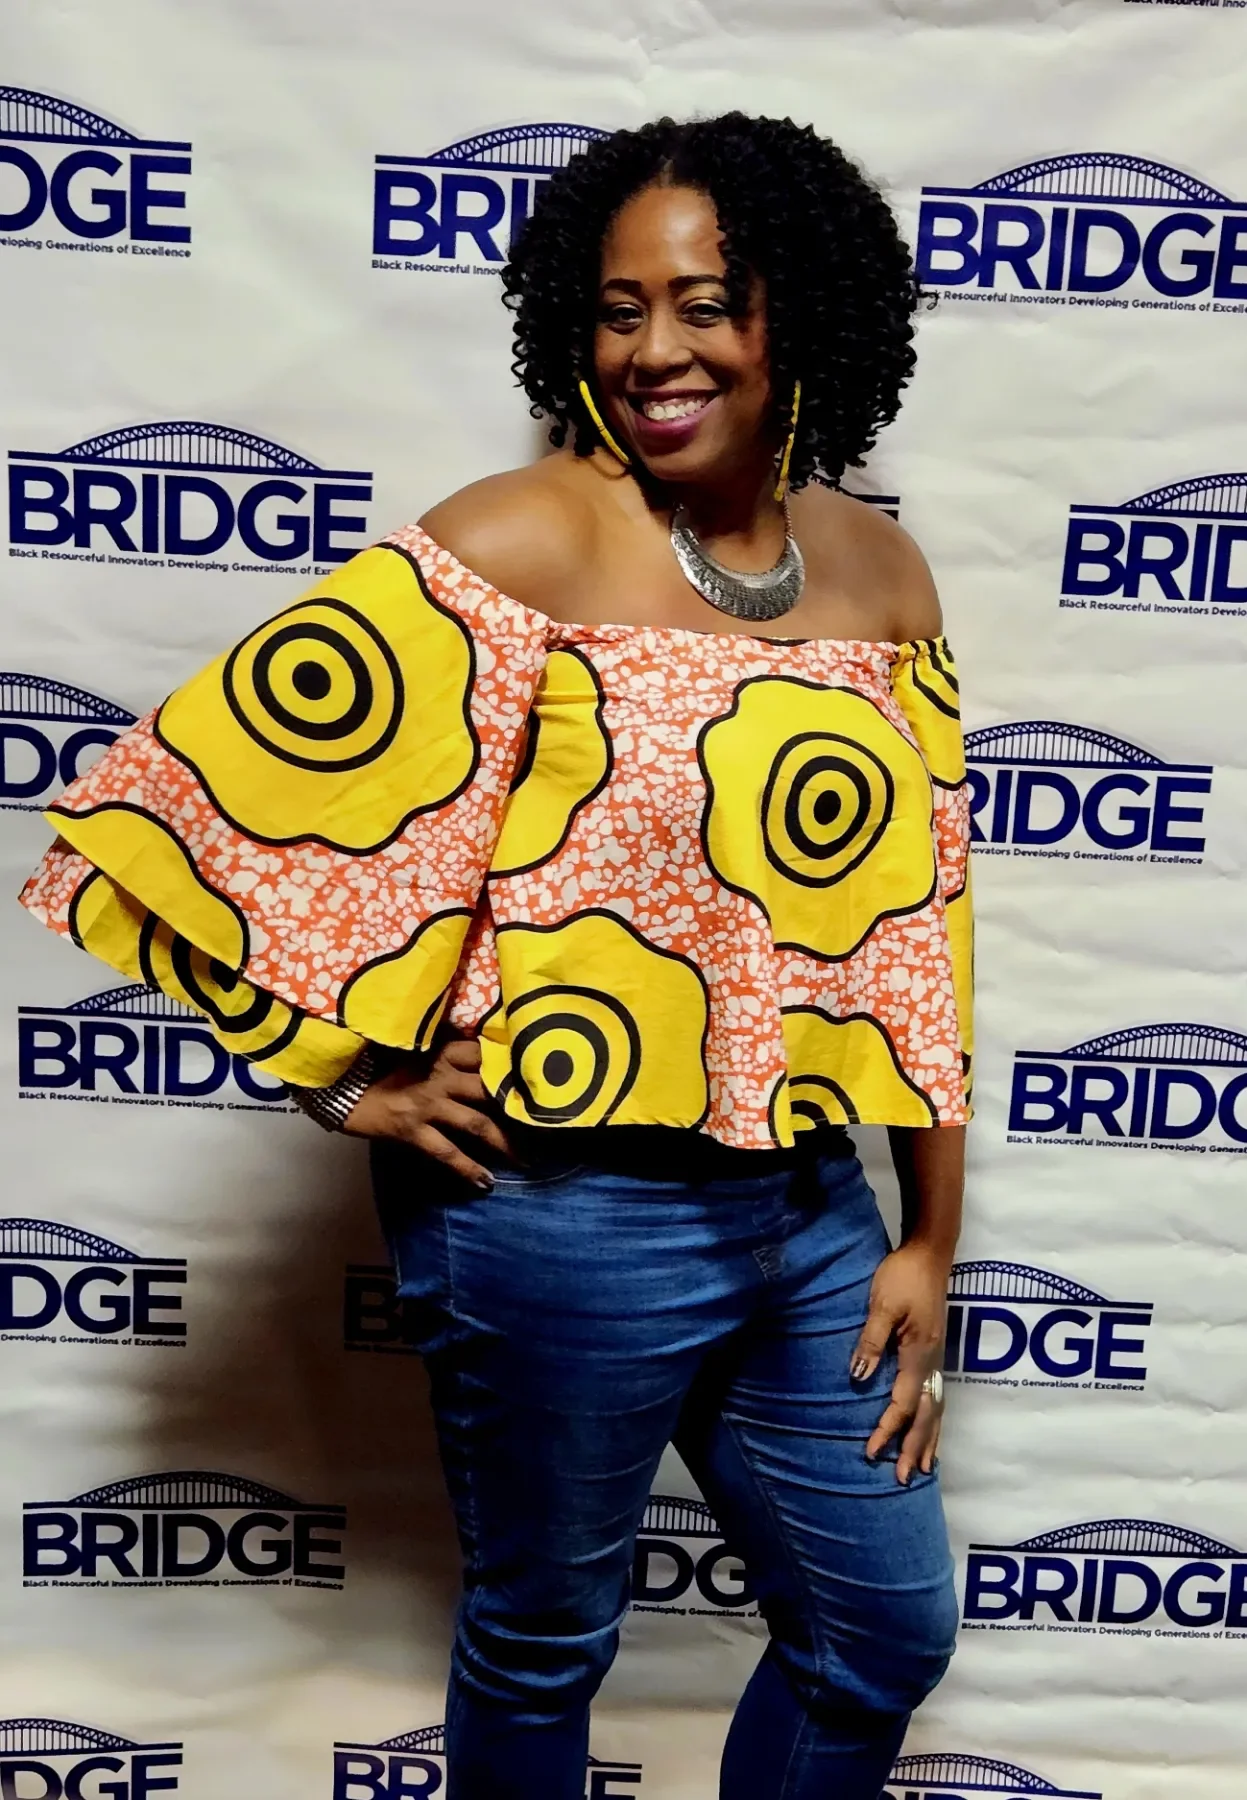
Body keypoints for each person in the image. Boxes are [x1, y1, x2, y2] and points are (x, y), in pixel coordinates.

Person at [19, 113, 973, 1800]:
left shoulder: (883, 575)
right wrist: (339, 1080)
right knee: (546, 1644)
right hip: (560, 1213)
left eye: (706, 303)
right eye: (618, 310)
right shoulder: (516, 541)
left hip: (814, 1205)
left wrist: (929, 1236)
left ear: (803, 314)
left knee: (881, 1630)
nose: (656, 351)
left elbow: (925, 938)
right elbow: (177, 817)